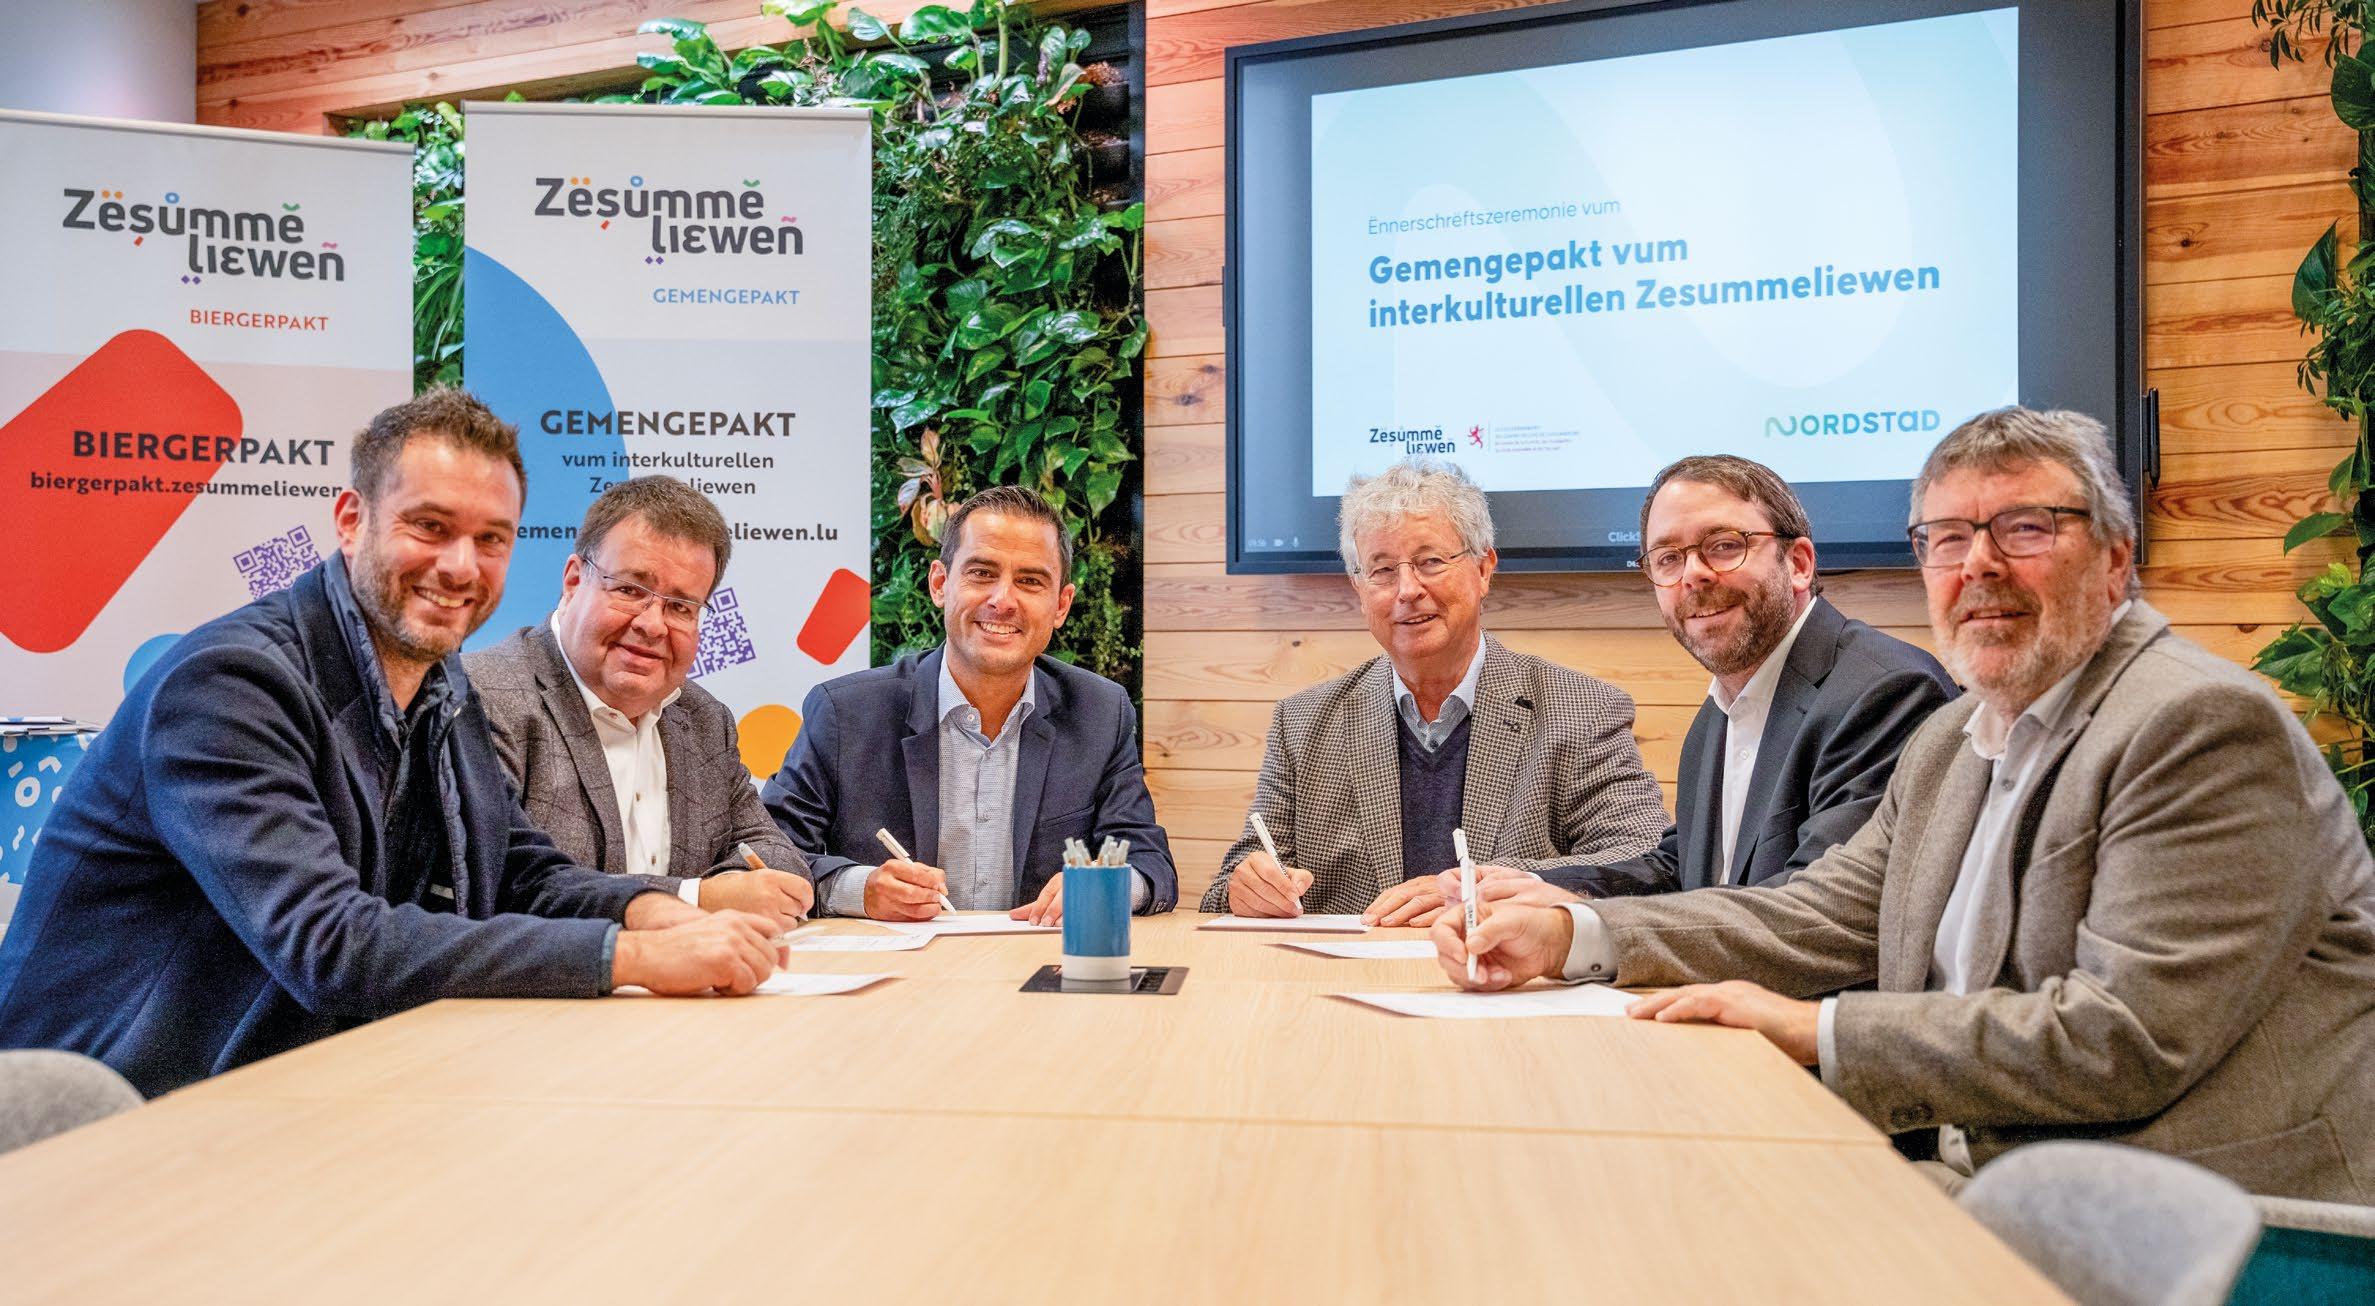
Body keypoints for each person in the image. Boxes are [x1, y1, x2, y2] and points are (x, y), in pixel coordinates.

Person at [1434, 407, 2375, 1203]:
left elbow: (2121, 1038)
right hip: (1984, 1168)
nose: (1979, 566)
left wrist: (1817, 1031)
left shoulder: (2199, 725)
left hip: (2207, 1224)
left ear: (2113, 558)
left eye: (2025, 529)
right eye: (1947, 539)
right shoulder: (1954, 736)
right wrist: (1576, 934)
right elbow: (1820, 915)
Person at [0, 390, 784, 1098]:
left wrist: (654, 913)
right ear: (351, 521)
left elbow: (519, 871)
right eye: (430, 527)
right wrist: (627, 957)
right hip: (121, 1113)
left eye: (491, 539)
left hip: (310, 1084)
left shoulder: (438, 684)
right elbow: (331, 945)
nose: (460, 566)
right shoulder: (230, 685)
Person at [1475, 456, 1954, 906]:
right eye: (1668, 557)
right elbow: (1679, 871)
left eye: (1725, 546)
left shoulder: (1887, 693)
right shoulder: (1719, 713)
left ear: (1799, 563)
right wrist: (1527, 888)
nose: (1693, 575)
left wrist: (1585, 926)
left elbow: (1817, 909)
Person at [1202, 460, 1668, 922]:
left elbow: (1643, 861)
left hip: (1503, 964)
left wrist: (1483, 887)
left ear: (1484, 569)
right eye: (1382, 570)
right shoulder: (1302, 723)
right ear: (1359, 588)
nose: (1407, 590)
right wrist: (1247, 889)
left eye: (1430, 562)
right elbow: (1231, 883)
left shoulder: (1581, 709)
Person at [763, 485, 1176, 922]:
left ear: (1061, 605)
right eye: (981, 573)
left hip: (1037, 960)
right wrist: (858, 890)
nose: (1002, 601)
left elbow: (1150, 864)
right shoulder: (846, 713)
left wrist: (1108, 885)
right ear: (940, 584)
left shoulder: (1100, 712)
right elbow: (768, 853)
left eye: (1030, 581)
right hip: (893, 963)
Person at [466, 476, 812, 929]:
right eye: (630, 590)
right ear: (573, 581)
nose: (652, 625)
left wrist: (737, 890)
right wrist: (696, 899)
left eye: (681, 607)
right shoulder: (485, 698)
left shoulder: (704, 719)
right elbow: (494, 887)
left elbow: (776, 853)